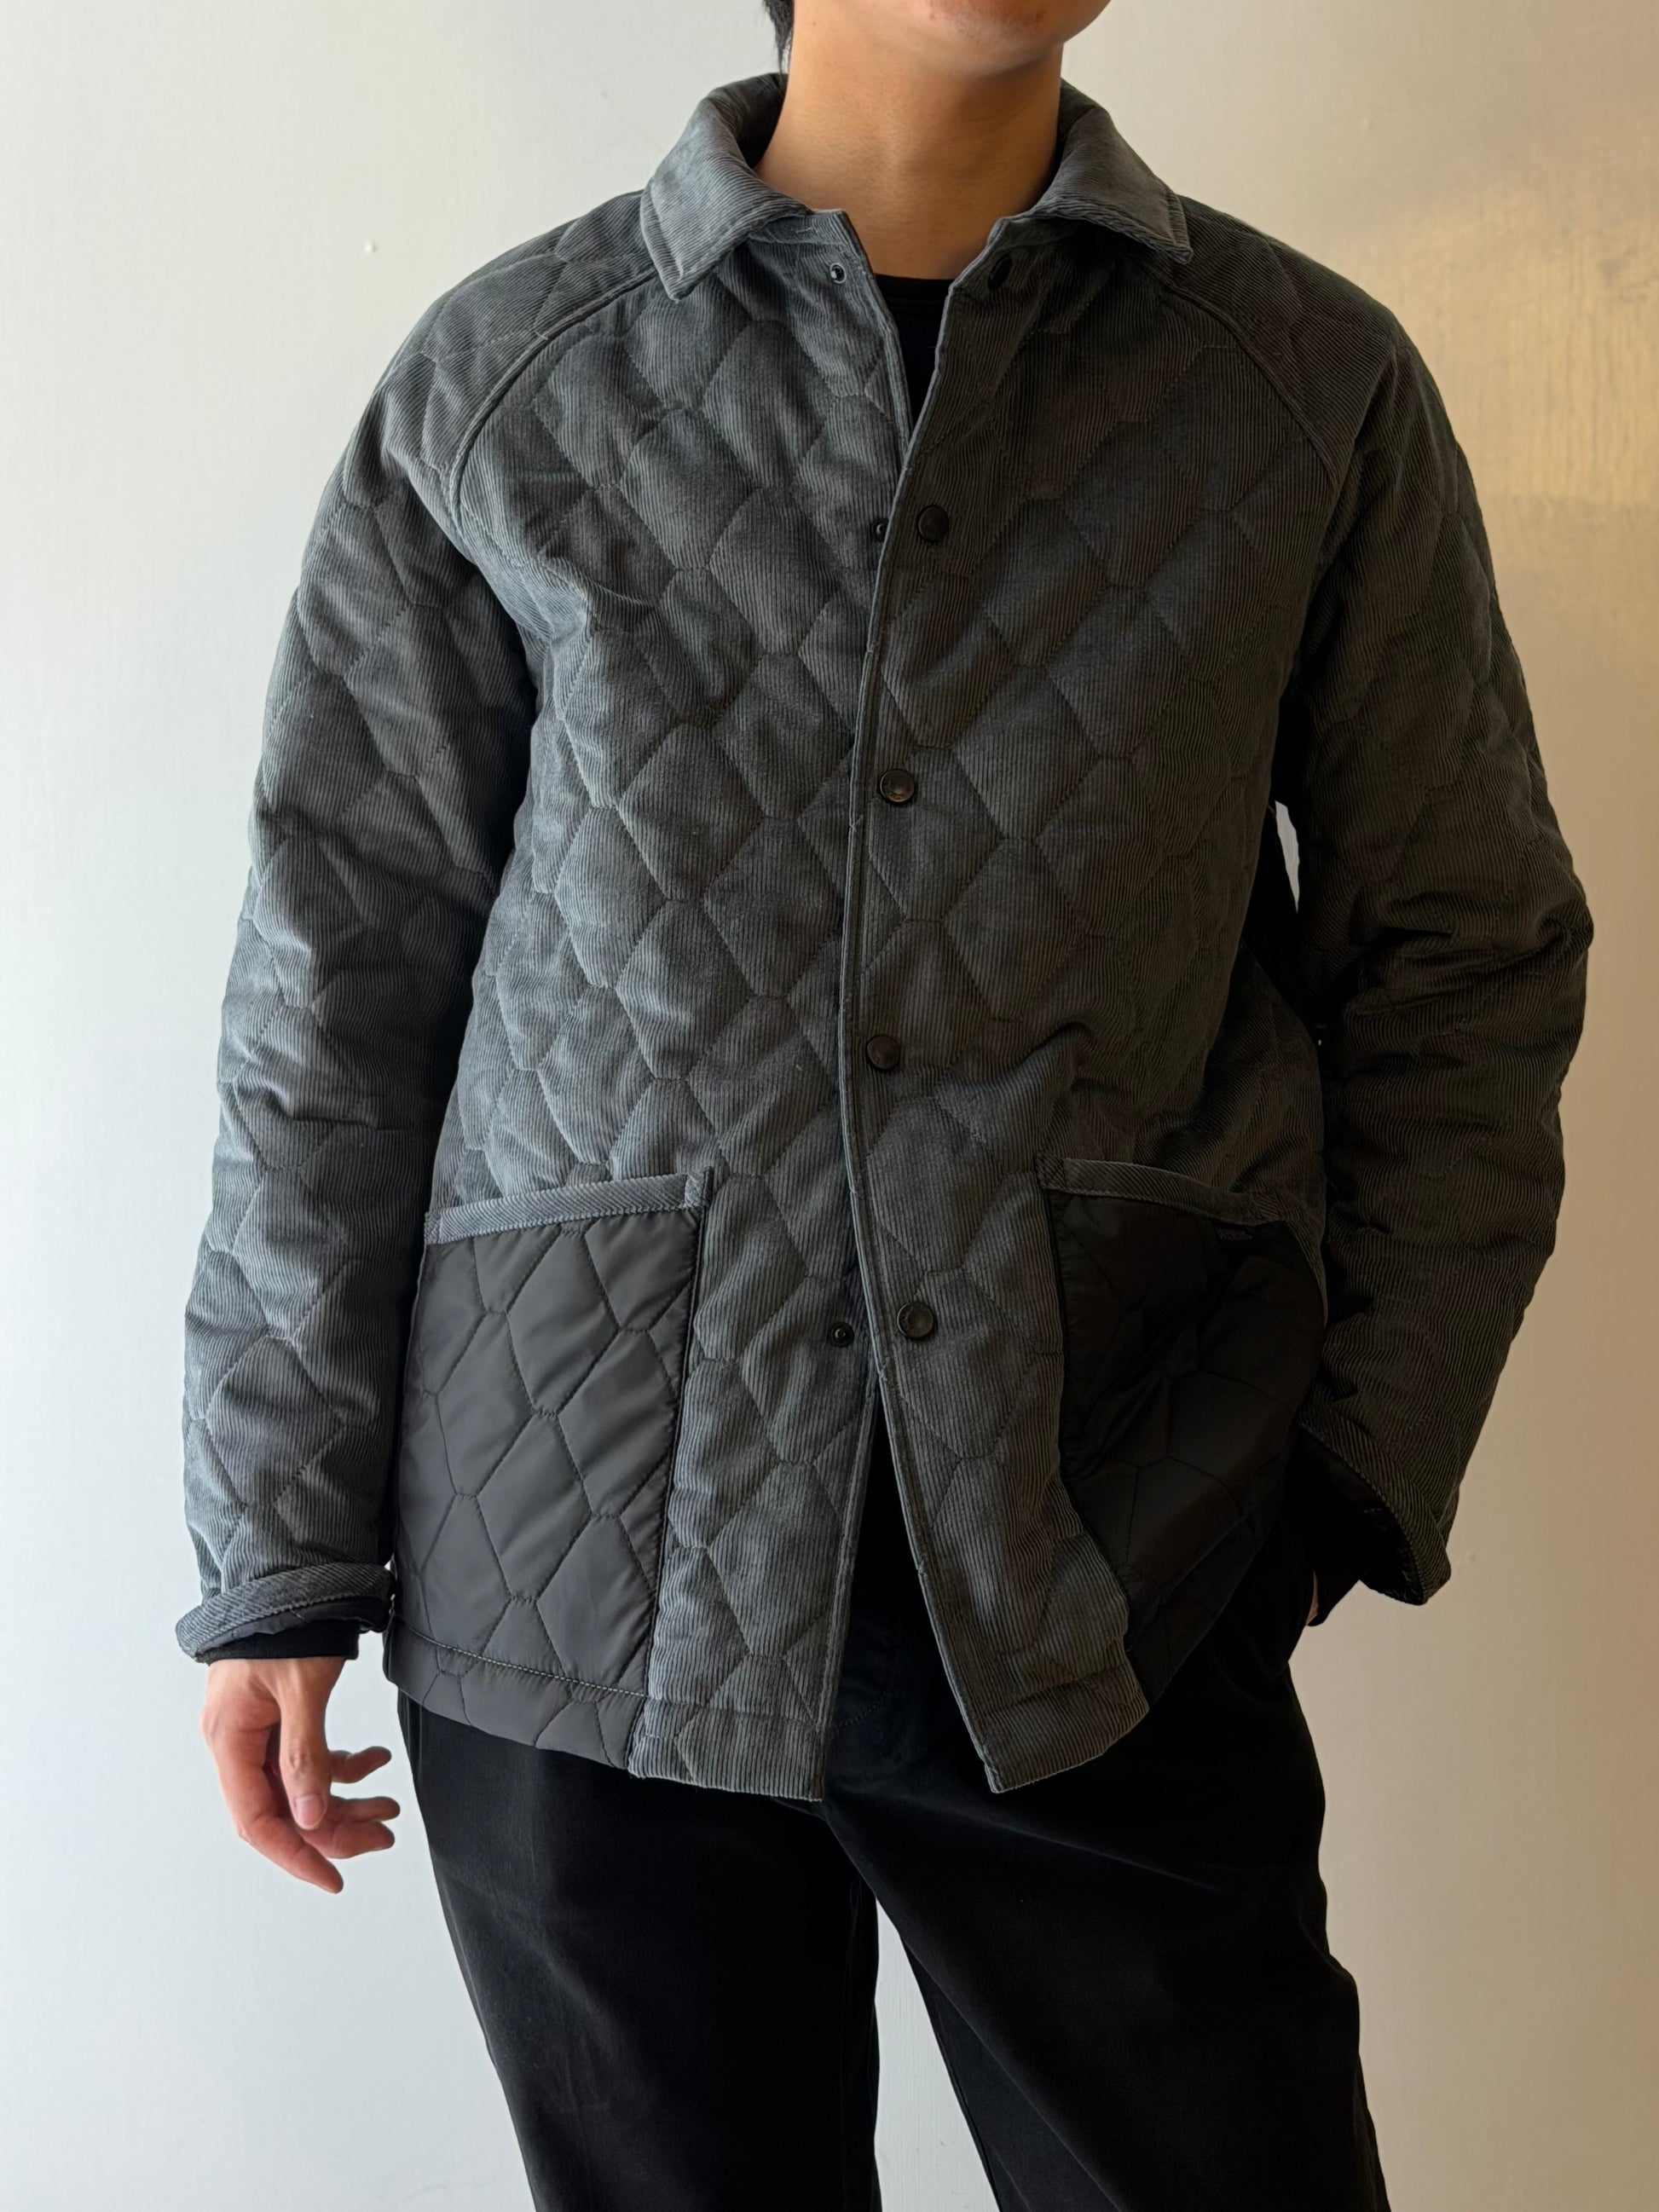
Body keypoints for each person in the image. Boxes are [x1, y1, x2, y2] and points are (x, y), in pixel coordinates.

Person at [179, 2, 1592, 2205]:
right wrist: (275, 1545)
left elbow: (1463, 952)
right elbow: (335, 988)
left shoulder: (1299, 388)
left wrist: (1340, 1467)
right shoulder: (512, 381)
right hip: (569, 1571)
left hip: (1105, 1559)